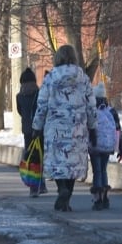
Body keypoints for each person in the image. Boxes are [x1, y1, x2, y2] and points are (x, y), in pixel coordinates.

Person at [32, 45, 97, 212]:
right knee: (73, 163)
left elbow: (42, 105)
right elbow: (91, 105)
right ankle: (66, 198)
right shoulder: (82, 78)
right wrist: (93, 127)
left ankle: (62, 189)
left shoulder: (51, 78)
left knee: (58, 161)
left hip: (55, 129)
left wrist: (37, 127)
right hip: (78, 129)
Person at [88, 82, 122, 210]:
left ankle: (98, 199)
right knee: (103, 170)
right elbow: (118, 130)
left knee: (96, 171)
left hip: (95, 147)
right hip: (108, 147)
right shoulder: (111, 111)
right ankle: (105, 198)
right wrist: (120, 147)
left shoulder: (91, 110)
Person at [16, 67, 46, 197]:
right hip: (39, 130)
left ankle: (34, 188)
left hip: (27, 130)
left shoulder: (19, 96)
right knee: (40, 157)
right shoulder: (39, 94)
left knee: (30, 158)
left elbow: (20, 112)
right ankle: (41, 185)